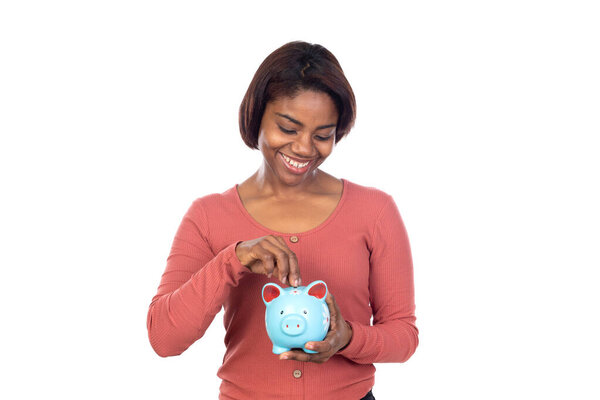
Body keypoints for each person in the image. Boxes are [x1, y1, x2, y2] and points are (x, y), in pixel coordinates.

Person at [146, 40, 418, 400]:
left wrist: (348, 338)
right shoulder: (208, 216)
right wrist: (234, 258)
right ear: (257, 114)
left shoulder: (375, 210)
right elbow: (164, 338)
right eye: (288, 129)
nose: (305, 148)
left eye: (323, 135)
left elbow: (404, 337)